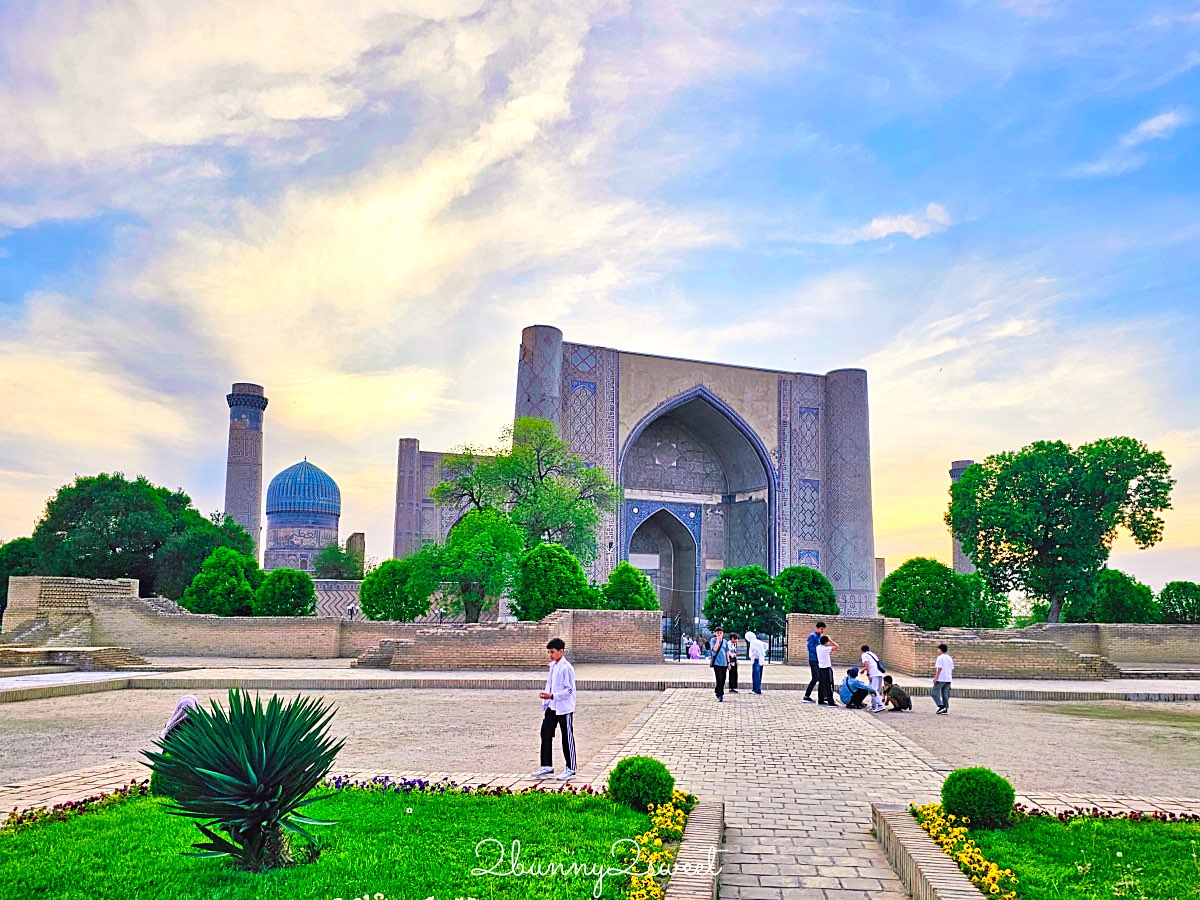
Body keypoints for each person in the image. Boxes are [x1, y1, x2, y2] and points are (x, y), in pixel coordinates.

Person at [530, 637, 577, 780]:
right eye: (549, 652)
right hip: (552, 706)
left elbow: (569, 690)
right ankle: (546, 766)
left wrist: (552, 696)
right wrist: (548, 698)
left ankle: (571, 768)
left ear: (561, 651)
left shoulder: (566, 667)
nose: (550, 655)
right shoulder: (554, 666)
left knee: (566, 737)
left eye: (553, 652)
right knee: (546, 732)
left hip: (564, 708)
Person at [803, 621, 827, 703]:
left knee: (822, 677)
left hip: (819, 660)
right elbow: (810, 648)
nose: (822, 631)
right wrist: (819, 650)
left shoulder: (820, 636)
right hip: (813, 660)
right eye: (821, 629)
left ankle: (823, 696)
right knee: (815, 677)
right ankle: (807, 695)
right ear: (817, 628)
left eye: (823, 629)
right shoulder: (812, 636)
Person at [860, 644, 885, 712]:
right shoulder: (873, 654)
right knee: (876, 690)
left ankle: (880, 705)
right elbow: (873, 664)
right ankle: (874, 705)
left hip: (873, 673)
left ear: (862, 650)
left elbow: (867, 664)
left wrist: (868, 674)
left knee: (873, 690)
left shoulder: (864, 655)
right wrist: (864, 669)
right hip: (879, 673)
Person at [816, 633, 839, 706]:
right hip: (826, 669)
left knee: (821, 685)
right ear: (826, 642)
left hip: (820, 668)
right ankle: (830, 701)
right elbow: (837, 646)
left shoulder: (818, 647)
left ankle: (821, 699)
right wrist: (831, 640)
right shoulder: (826, 649)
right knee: (829, 685)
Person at [709, 628, 731, 702]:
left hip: (724, 663)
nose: (719, 634)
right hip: (717, 663)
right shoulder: (713, 640)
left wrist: (728, 662)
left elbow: (727, 652)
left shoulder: (725, 642)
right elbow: (714, 649)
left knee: (723, 679)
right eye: (717, 633)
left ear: (723, 633)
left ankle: (717, 690)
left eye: (720, 633)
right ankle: (720, 694)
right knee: (719, 678)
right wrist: (718, 640)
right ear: (715, 633)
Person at [932, 643, 954, 715]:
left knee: (934, 692)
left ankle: (941, 706)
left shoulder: (940, 658)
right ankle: (945, 708)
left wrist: (936, 677)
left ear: (940, 650)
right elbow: (951, 668)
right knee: (945, 695)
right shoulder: (949, 658)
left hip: (941, 678)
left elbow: (939, 668)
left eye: (938, 649)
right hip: (948, 678)